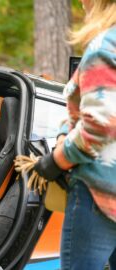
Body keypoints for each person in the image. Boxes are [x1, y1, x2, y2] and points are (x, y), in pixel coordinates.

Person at [32, 1, 116, 269]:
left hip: (99, 191)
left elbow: (99, 126)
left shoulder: (105, 47)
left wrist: (56, 160)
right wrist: (62, 133)